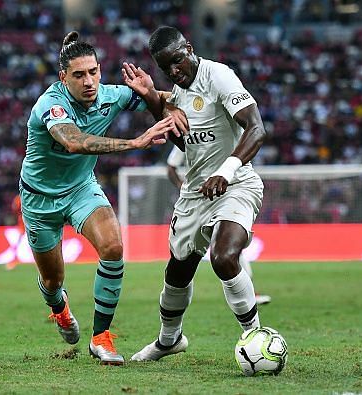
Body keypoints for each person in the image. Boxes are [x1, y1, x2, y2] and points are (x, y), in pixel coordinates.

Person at [20, 31, 179, 365]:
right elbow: (75, 142)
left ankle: (100, 338)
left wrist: (160, 94)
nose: (89, 81)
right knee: (53, 280)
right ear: (63, 78)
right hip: (39, 199)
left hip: (81, 189)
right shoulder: (50, 106)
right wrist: (134, 143)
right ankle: (59, 308)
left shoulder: (112, 95)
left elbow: (163, 99)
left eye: (93, 72)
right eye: (79, 75)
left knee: (113, 246)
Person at [123, 26, 268, 362]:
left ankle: (255, 334)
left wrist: (225, 171)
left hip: (236, 184)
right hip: (195, 192)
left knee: (223, 257)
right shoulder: (177, 94)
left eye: (177, 61)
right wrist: (149, 97)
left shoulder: (218, 75)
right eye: (166, 68)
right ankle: (169, 339)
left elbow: (256, 128)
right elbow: (186, 144)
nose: (174, 71)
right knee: (177, 272)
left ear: (188, 48)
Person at [166, 145, 272, 306]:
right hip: (198, 201)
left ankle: (249, 298)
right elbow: (171, 167)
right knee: (184, 257)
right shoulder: (190, 132)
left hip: (226, 197)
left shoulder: (226, 128)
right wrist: (184, 187)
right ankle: (171, 326)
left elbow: (254, 132)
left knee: (229, 249)